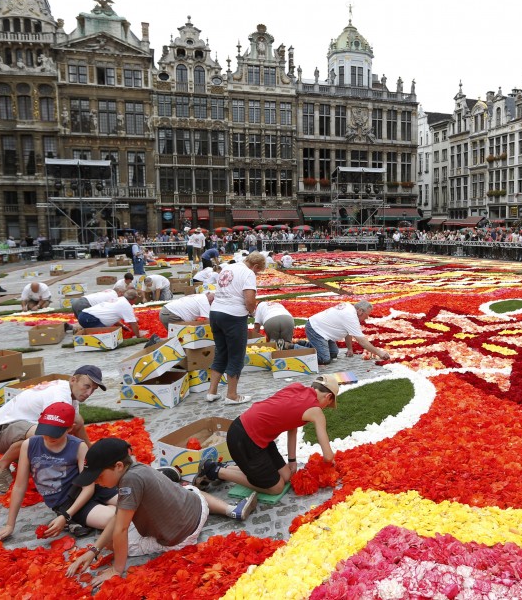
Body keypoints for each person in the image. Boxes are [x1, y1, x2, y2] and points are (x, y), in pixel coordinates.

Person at [65, 438, 257, 586]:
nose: (97, 482)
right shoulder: (136, 466)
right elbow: (117, 518)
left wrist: (117, 569)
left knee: (113, 542)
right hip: (197, 506)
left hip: (180, 539)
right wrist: (93, 551)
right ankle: (229, 509)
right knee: (188, 489)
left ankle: (119, 560)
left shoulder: (128, 483)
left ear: (118, 466)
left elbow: (120, 529)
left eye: (98, 477)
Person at [0, 403, 118, 542]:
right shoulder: (29, 445)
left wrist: (65, 517)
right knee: (112, 518)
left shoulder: (79, 446)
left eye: (55, 433)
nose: (49, 437)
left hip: (90, 490)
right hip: (67, 502)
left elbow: (88, 487)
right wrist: (9, 525)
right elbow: (19, 486)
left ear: (69, 428)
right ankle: (86, 516)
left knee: (132, 503)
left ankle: (89, 515)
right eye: (45, 431)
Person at [195, 374, 339, 495]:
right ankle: (213, 470)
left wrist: (292, 460)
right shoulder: (316, 411)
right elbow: (328, 456)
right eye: (328, 404)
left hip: (255, 435)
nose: (325, 407)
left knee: (287, 475)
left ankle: (226, 467)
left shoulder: (296, 387)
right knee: (276, 487)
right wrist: (330, 467)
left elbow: (292, 427)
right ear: (328, 397)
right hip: (244, 439)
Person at [0, 365, 106, 493]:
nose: (89, 393)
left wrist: (89, 452)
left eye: (93, 389)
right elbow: (58, 434)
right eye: (86, 386)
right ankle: (0, 467)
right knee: (48, 436)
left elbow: (75, 427)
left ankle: (22, 461)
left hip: (16, 430)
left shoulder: (69, 392)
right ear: (73, 380)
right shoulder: (59, 396)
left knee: (72, 424)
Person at [204, 251, 266, 405]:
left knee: (221, 351)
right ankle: (232, 395)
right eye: (258, 271)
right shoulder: (248, 273)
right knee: (236, 355)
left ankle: (211, 392)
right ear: (256, 266)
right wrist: (252, 311)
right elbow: (250, 299)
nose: (257, 274)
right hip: (233, 316)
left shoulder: (227, 268)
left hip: (216, 313)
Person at [303, 300, 390, 366]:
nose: (367, 317)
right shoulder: (350, 316)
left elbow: (348, 331)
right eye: (367, 314)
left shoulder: (350, 308)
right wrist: (379, 353)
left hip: (323, 331)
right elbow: (362, 341)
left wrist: (350, 349)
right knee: (324, 359)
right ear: (360, 311)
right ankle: (294, 347)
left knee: (333, 353)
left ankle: (304, 345)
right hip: (316, 329)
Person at [77, 289, 146, 339]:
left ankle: (81, 331)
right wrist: (138, 336)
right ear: (134, 299)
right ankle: (80, 333)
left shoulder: (119, 299)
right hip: (90, 318)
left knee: (108, 334)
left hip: (84, 315)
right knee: (105, 337)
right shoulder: (126, 305)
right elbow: (133, 323)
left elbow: (110, 314)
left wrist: (122, 325)